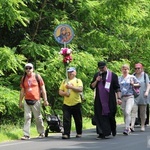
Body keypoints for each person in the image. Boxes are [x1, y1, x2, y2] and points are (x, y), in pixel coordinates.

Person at [90, 61, 122, 139]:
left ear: (106, 66)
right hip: (99, 99)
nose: (102, 69)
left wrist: (119, 98)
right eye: (100, 68)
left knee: (110, 115)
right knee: (99, 116)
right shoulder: (97, 75)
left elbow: (117, 88)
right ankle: (102, 133)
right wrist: (96, 80)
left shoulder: (113, 75)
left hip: (110, 99)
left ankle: (113, 128)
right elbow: (92, 86)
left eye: (103, 67)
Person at [19, 63, 49, 140]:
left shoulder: (37, 76)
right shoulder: (24, 78)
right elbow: (22, 91)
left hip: (36, 100)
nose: (28, 70)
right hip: (27, 100)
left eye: (30, 68)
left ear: (33, 69)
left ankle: (41, 132)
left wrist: (45, 100)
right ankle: (26, 134)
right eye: (26, 68)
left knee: (38, 117)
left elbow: (43, 89)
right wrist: (20, 101)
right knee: (27, 117)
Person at [59, 67, 83, 139]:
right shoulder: (64, 81)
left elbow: (80, 89)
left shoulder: (78, 81)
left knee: (78, 119)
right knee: (66, 119)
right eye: (69, 72)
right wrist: (65, 94)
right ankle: (66, 133)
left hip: (76, 103)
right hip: (67, 103)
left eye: (72, 72)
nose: (70, 73)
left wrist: (71, 87)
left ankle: (79, 132)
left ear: (75, 73)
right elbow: (60, 91)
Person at [118, 64, 140, 135]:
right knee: (125, 113)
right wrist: (117, 98)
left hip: (130, 96)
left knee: (127, 112)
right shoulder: (119, 78)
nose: (125, 70)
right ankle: (127, 126)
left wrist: (133, 84)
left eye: (126, 69)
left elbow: (139, 84)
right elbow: (117, 88)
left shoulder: (132, 77)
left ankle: (127, 128)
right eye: (124, 69)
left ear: (129, 70)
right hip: (122, 97)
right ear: (121, 70)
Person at [132, 63, 149, 131]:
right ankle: (132, 126)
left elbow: (148, 84)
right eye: (136, 68)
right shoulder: (132, 75)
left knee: (142, 112)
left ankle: (142, 125)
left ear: (141, 68)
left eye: (138, 68)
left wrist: (147, 92)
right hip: (134, 96)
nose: (137, 69)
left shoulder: (145, 75)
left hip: (143, 95)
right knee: (133, 111)